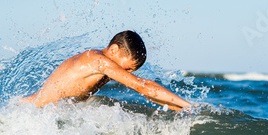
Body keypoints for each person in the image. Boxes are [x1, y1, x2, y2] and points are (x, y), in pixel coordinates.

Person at [21, 30, 191, 111]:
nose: (128, 73)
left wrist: (180, 110)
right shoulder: (99, 62)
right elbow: (142, 86)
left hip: (47, 113)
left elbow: (146, 92)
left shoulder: (104, 64)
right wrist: (188, 105)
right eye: (128, 68)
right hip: (33, 111)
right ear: (114, 50)